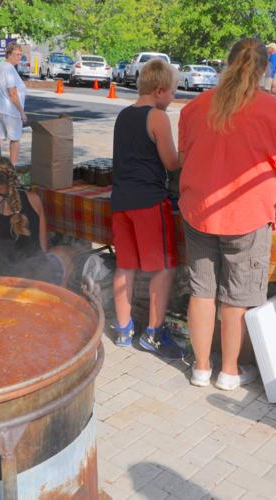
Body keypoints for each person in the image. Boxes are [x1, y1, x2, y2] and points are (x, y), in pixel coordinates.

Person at [178, 38, 276, 390]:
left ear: (226, 64)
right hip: (247, 215)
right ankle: (229, 371)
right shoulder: (272, 109)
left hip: (199, 210)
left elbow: (184, 156)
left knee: (202, 291)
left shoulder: (196, 106)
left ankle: (201, 368)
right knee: (236, 298)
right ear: (266, 68)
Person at [110, 58, 184, 360]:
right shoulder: (157, 117)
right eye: (172, 93)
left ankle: (124, 330)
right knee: (164, 268)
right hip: (149, 202)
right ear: (159, 90)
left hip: (121, 201)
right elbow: (171, 163)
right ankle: (152, 334)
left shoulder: (123, 115)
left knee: (125, 265)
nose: (173, 98)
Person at [0, 156, 75, 286]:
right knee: (67, 253)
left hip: (1, 280)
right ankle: (56, 297)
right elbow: (43, 247)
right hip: (38, 277)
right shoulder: (34, 199)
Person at [0, 42, 26, 165]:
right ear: (8, 54)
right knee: (15, 139)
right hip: (11, 111)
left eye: (20, 55)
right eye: (17, 54)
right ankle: (13, 168)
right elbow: (12, 93)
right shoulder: (9, 68)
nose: (19, 57)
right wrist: (22, 112)